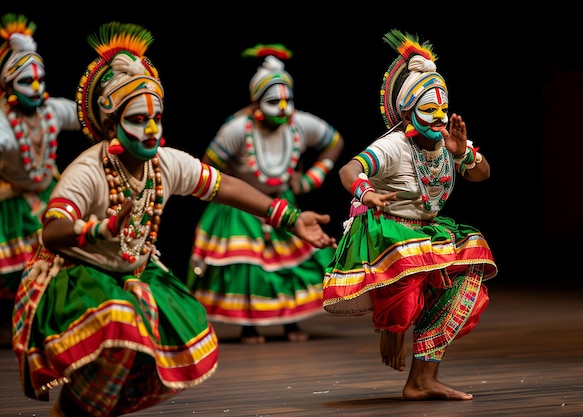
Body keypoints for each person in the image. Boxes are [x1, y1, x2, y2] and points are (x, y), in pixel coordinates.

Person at [11, 22, 336, 417]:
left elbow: (225, 186)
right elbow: (53, 230)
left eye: (157, 118)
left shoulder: (166, 164)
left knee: (159, 345)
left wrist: (291, 217)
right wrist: (100, 229)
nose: (150, 130)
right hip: (78, 278)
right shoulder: (88, 170)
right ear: (111, 124)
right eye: (137, 120)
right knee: (120, 326)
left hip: (133, 273)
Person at [323, 29, 498, 401]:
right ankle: (392, 325)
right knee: (404, 294)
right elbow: (348, 171)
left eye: (442, 108)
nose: (438, 117)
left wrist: (463, 152)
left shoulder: (447, 139)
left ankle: (422, 378)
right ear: (407, 112)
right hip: (388, 234)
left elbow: (483, 174)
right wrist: (366, 192)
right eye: (428, 109)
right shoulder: (393, 144)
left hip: (427, 234)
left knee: (468, 282)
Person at [187, 44, 344, 344]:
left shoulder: (299, 123)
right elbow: (206, 168)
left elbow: (334, 141)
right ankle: (250, 327)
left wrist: (313, 177)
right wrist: (231, 187)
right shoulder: (236, 129)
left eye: (288, 100)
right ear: (256, 102)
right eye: (273, 101)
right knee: (250, 269)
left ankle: (291, 323)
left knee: (289, 266)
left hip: (284, 202)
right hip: (242, 207)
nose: (283, 109)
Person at [0, 13, 81, 347]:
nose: (36, 88)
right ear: (7, 86)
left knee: (56, 259)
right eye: (26, 82)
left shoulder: (51, 110)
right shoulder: (3, 119)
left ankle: (49, 321)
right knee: (13, 269)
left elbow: (83, 113)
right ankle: (12, 324)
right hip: (12, 199)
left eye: (40, 80)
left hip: (47, 191)